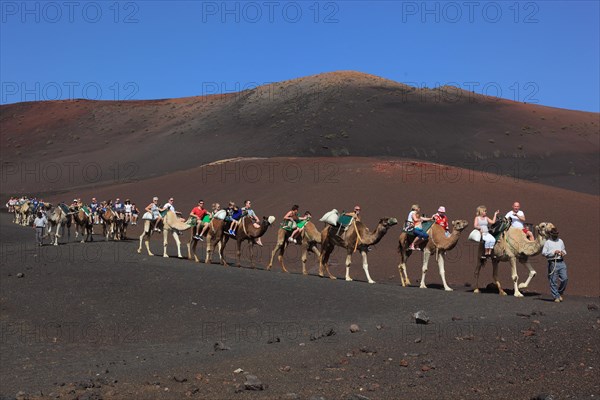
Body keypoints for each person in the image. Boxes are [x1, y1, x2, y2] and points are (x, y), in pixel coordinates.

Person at [542, 227, 568, 302]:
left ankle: (559, 293)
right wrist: (553, 253)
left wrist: (563, 253)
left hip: (561, 262)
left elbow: (564, 250)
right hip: (553, 263)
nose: (556, 235)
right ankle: (556, 296)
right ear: (551, 234)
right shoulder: (547, 242)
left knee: (565, 279)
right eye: (554, 234)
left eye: (556, 234)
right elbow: (544, 253)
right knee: (553, 280)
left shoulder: (560, 241)